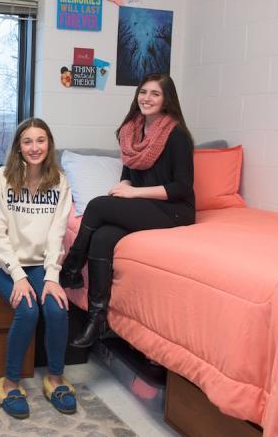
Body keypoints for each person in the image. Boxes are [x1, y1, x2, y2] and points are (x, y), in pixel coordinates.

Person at [60, 73, 196, 349]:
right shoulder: (132, 131)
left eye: (155, 94)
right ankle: (97, 318)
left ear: (167, 99)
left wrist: (132, 194)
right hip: (144, 204)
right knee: (102, 237)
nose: (147, 98)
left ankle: (71, 268)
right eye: (143, 92)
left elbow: (182, 187)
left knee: (97, 206)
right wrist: (123, 186)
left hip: (174, 210)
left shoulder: (176, 134)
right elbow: (128, 172)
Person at [0, 117, 77, 419]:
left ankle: (55, 378)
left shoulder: (59, 181)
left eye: (40, 140)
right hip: (3, 263)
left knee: (57, 308)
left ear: (49, 144)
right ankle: (10, 383)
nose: (34, 147)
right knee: (28, 309)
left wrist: (52, 277)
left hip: (41, 263)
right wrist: (19, 276)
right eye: (27, 141)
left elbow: (56, 233)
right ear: (18, 146)